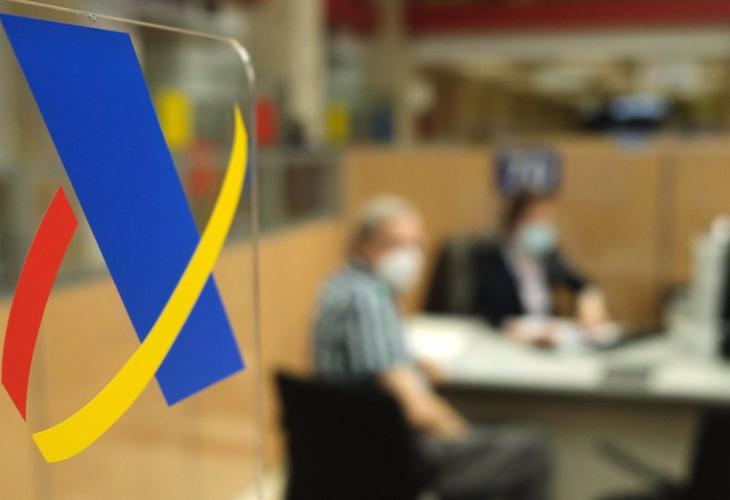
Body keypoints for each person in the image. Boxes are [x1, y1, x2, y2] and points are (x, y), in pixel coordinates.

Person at [312, 195, 551, 500]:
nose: (409, 256)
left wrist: (413, 361)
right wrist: (466, 438)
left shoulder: (339, 285)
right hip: (388, 456)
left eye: (415, 244)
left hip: (346, 446)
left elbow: (365, 357)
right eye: (397, 244)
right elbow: (418, 410)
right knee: (531, 450)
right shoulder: (368, 299)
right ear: (365, 246)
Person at [471, 192, 610, 344]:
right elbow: (484, 312)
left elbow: (581, 283)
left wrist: (590, 298)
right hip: (505, 342)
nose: (541, 225)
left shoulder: (548, 255)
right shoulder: (491, 258)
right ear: (512, 223)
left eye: (545, 219)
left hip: (547, 340)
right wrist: (514, 328)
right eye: (533, 219)